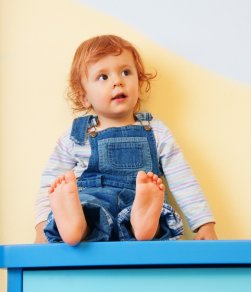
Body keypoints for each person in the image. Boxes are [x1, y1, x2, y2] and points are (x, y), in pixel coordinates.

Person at [35, 34, 217, 245]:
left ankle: (143, 222)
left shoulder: (155, 131)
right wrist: (41, 228)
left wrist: (204, 223)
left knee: (158, 214)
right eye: (103, 77)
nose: (117, 81)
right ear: (84, 96)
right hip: (93, 202)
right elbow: (50, 182)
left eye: (126, 72)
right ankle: (74, 224)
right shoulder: (77, 135)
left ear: (139, 83)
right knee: (85, 208)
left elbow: (182, 179)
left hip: (138, 200)